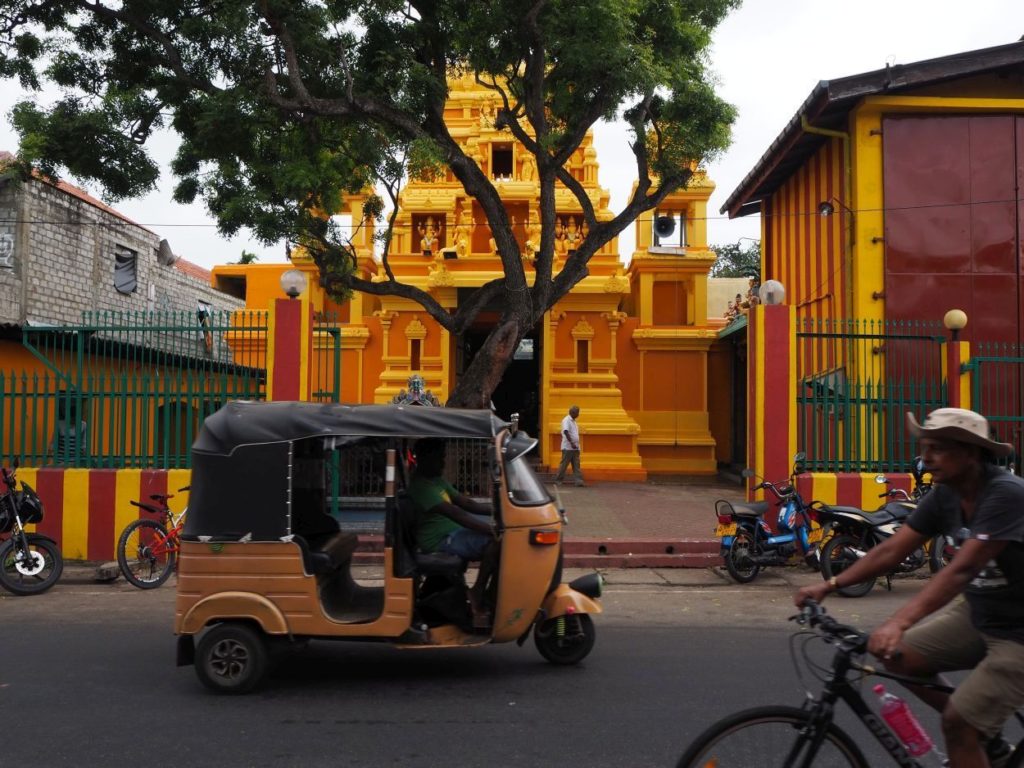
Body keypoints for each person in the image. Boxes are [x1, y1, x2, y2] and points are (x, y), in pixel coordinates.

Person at [795, 408, 1024, 768]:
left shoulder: (1006, 494)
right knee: (896, 656)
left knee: (957, 724)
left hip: (1019, 634)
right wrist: (829, 584)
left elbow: (963, 569)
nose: (926, 458)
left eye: (938, 448)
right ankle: (987, 741)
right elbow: (891, 549)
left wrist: (898, 621)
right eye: (924, 447)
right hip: (981, 612)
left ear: (971, 453)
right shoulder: (946, 495)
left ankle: (969, 730)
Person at [407, 438, 499, 629]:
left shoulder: (436, 481)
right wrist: (492, 530)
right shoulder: (420, 486)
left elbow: (466, 503)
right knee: (495, 542)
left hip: (453, 533)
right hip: (439, 540)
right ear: (423, 459)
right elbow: (458, 515)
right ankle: (477, 592)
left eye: (443, 457)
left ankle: (489, 595)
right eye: (438, 458)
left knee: (498, 538)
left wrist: (501, 509)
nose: (442, 462)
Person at [554, 405, 584, 487]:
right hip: (568, 447)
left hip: (575, 447)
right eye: (577, 412)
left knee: (576, 465)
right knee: (564, 465)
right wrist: (572, 443)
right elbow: (566, 432)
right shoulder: (566, 420)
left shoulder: (574, 421)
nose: (578, 414)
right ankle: (558, 481)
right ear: (572, 412)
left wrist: (575, 444)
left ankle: (579, 481)